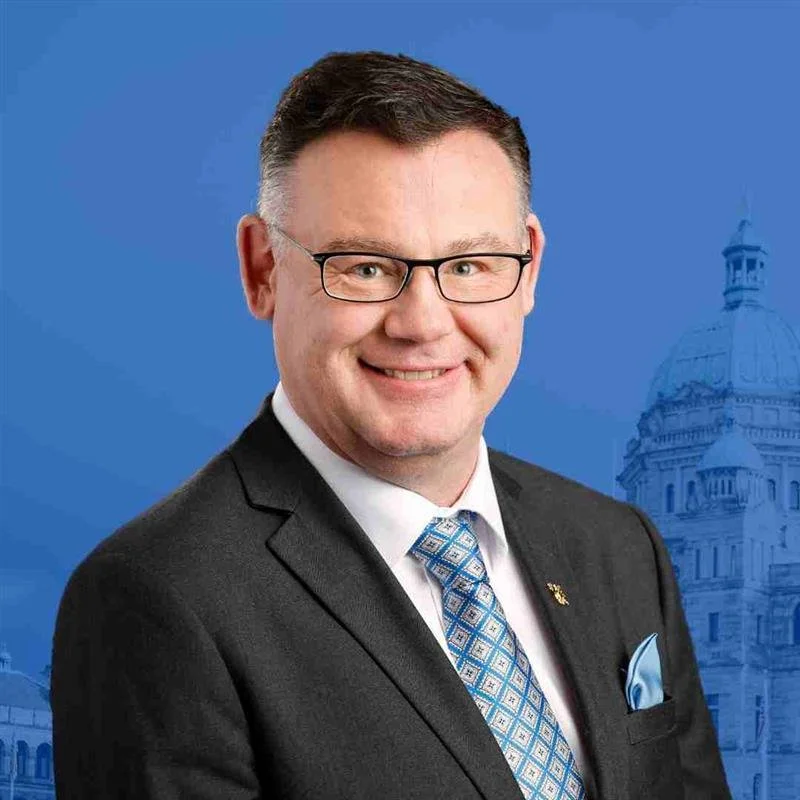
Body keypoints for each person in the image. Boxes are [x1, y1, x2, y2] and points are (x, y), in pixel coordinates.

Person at [51, 51, 731, 800]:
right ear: (261, 270)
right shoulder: (156, 600)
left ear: (529, 270)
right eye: (366, 266)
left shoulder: (619, 548)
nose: (422, 324)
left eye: (470, 265)